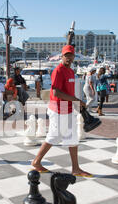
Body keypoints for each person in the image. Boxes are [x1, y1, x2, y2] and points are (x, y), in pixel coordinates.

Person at [31, 45, 92, 178]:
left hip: (67, 107)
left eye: (71, 55)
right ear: (62, 56)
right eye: (66, 55)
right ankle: (36, 161)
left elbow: (68, 91)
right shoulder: (58, 70)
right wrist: (76, 100)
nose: (69, 58)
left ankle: (75, 169)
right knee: (54, 136)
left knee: (72, 137)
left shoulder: (71, 71)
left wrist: (75, 104)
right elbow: (56, 92)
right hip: (58, 107)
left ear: (74, 57)